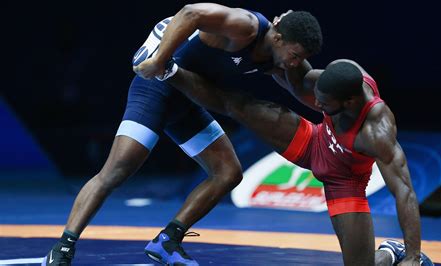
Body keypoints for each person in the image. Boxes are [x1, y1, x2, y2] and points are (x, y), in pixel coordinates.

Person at [42, 3, 322, 266]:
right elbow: (190, 13)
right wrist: (158, 59)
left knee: (228, 173)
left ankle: (168, 240)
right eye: (295, 56)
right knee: (117, 170)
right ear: (278, 38)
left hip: (186, 101)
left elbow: (305, 91)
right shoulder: (245, 26)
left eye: (301, 58)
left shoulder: (282, 58)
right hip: (157, 88)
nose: (295, 63)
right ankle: (62, 248)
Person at [163, 59, 434, 265]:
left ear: (350, 101)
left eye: (324, 103)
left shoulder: (377, 132)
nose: (316, 103)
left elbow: (404, 192)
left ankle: (391, 252)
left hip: (345, 181)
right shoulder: (341, 73)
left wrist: (413, 255)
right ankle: (169, 72)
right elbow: (295, 76)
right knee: (241, 106)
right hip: (315, 141)